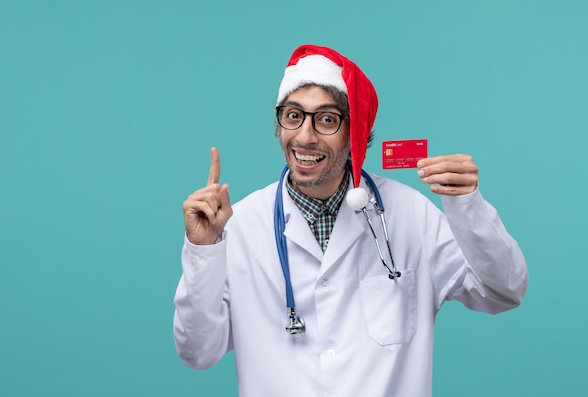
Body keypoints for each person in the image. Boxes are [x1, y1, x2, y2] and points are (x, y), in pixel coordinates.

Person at [173, 44, 528, 397]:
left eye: (327, 119)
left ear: (355, 134)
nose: (305, 136)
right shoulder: (239, 225)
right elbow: (198, 353)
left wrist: (467, 205)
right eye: (293, 115)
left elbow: (502, 292)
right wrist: (203, 250)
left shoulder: (410, 214)